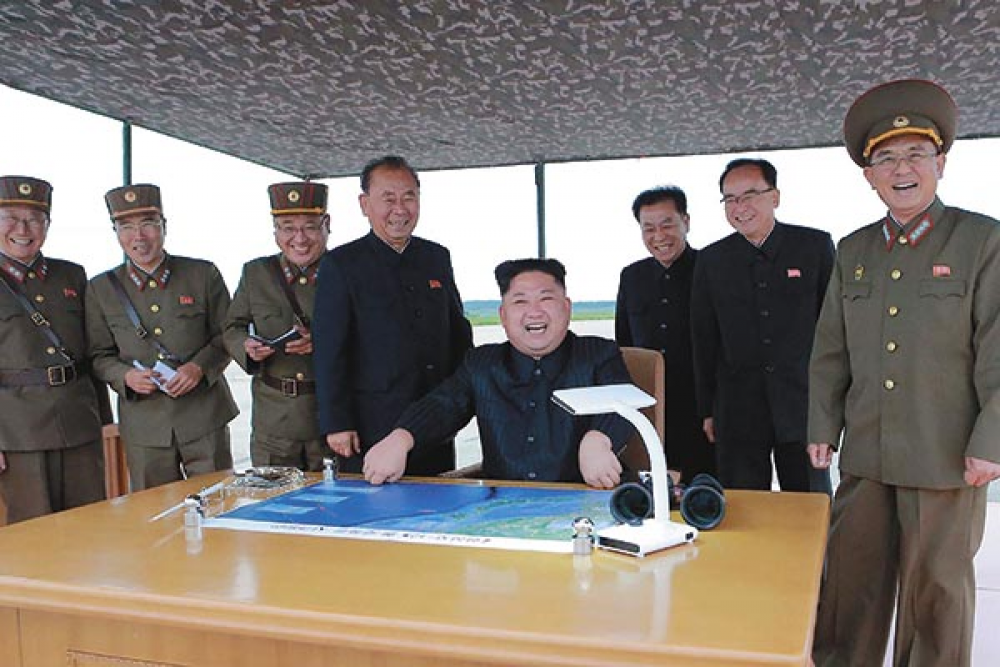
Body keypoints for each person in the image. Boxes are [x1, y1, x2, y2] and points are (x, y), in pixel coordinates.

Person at [808, 79, 1000, 667]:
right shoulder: (854, 250)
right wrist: (822, 425)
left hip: (946, 456)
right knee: (850, 582)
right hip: (867, 451)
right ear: (869, 175)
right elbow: (831, 348)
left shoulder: (982, 240)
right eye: (886, 159)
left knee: (935, 590)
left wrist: (991, 440)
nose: (902, 169)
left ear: (941, 163)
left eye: (916, 153)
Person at [362, 258, 634, 488]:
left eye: (546, 299)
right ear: (503, 315)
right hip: (504, 507)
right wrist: (401, 438)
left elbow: (625, 403)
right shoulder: (481, 364)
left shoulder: (599, 354)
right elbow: (443, 406)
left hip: (585, 499)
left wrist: (598, 440)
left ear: (566, 308)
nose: (534, 312)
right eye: (520, 301)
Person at [313, 155, 473, 475]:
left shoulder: (436, 257)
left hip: (434, 420)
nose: (400, 210)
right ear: (365, 204)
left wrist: (463, 402)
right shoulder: (342, 264)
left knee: (438, 498)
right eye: (388, 199)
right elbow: (329, 350)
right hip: (372, 425)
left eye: (408, 197)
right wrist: (337, 422)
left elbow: (458, 333)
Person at [691, 158, 833, 493]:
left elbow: (835, 332)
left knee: (810, 505)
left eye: (749, 195)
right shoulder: (711, 260)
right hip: (738, 410)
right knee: (743, 505)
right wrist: (708, 410)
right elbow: (703, 339)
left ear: (775, 197)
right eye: (730, 199)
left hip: (803, 407)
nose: (740, 207)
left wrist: (831, 413)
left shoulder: (813, 247)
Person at [87, 184, 237, 491]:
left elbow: (228, 334)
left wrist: (198, 367)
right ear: (116, 233)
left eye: (148, 224)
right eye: (126, 227)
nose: (138, 237)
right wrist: (126, 376)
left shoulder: (202, 274)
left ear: (164, 227)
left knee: (218, 503)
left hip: (204, 417)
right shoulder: (101, 288)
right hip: (145, 425)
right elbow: (98, 355)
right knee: (153, 511)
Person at [0, 176, 107, 523]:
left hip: (78, 421)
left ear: (47, 225)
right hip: (17, 431)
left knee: (89, 522)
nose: (23, 229)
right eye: (11, 218)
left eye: (34, 219)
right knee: (33, 528)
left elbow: (92, 351)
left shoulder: (71, 276)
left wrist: (103, 418)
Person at [224, 182, 329, 471]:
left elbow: (372, 335)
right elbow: (232, 327)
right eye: (287, 228)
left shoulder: (345, 270)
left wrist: (322, 342)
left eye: (309, 227)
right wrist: (246, 347)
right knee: (274, 497)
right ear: (275, 232)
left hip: (330, 417)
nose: (299, 239)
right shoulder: (256, 273)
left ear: (327, 225)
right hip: (274, 422)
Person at [616, 185, 715, 484]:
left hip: (704, 411)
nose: (658, 236)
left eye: (667, 224)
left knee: (708, 488)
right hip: (650, 409)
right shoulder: (631, 277)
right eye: (648, 228)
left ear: (686, 222)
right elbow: (624, 347)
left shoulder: (713, 268)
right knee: (653, 491)